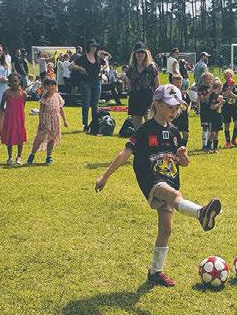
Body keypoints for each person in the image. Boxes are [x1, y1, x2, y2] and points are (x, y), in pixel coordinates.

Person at [94, 84, 222, 287]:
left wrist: (183, 156)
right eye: (170, 107)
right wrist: (105, 176)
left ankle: (155, 272)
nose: (174, 111)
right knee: (175, 195)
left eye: (177, 107)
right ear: (157, 105)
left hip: (170, 179)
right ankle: (201, 213)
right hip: (151, 180)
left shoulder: (174, 132)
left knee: (166, 231)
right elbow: (125, 153)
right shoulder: (144, 130)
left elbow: (184, 163)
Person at [27, 77, 68, 165]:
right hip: (46, 120)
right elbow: (41, 111)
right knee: (40, 138)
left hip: (55, 120)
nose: (51, 87)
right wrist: (41, 122)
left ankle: (49, 156)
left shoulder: (57, 96)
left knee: (52, 138)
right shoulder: (44, 97)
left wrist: (65, 120)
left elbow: (61, 109)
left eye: (53, 85)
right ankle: (32, 155)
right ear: (45, 87)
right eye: (48, 85)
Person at [70, 40, 103, 134]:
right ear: (88, 47)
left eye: (95, 46)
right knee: (86, 104)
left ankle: (94, 123)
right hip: (85, 83)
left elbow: (107, 61)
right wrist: (81, 69)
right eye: (92, 46)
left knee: (95, 105)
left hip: (96, 82)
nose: (94, 48)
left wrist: (101, 71)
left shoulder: (98, 57)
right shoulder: (83, 57)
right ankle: (85, 124)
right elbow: (71, 66)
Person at [126, 42, 160, 129]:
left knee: (150, 124)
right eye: (138, 52)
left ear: (146, 54)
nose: (140, 54)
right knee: (137, 127)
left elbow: (157, 84)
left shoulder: (152, 67)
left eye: (142, 52)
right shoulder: (131, 68)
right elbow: (129, 85)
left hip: (148, 98)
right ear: (134, 54)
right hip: (135, 98)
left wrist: (156, 99)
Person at [0, 72, 27, 165]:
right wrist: (8, 113)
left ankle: (19, 157)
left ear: (19, 81)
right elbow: (1, 106)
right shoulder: (6, 93)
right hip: (9, 119)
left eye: (15, 81)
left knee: (20, 136)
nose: (13, 83)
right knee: (10, 136)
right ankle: (10, 157)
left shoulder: (23, 93)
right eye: (11, 81)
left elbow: (23, 105)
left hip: (20, 119)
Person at [221, 68, 237, 148]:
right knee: (227, 125)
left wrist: (233, 95)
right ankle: (227, 142)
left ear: (232, 76)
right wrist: (229, 88)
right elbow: (223, 94)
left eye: (229, 75)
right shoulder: (223, 86)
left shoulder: (236, 86)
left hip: (234, 108)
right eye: (226, 76)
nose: (228, 77)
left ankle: (234, 140)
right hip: (226, 108)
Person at [169, 72, 191, 146]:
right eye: (176, 82)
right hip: (174, 117)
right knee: (174, 134)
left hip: (184, 117)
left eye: (180, 82)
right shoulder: (170, 93)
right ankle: (175, 148)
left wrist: (187, 110)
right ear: (172, 82)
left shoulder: (184, 93)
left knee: (186, 135)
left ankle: (182, 148)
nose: (178, 84)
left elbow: (188, 103)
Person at [197, 70, 213, 151]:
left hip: (213, 111)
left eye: (210, 79)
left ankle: (210, 144)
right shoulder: (201, 89)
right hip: (204, 111)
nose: (209, 81)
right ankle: (204, 145)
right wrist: (209, 93)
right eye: (207, 79)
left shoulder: (213, 87)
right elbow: (202, 100)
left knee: (211, 128)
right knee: (205, 128)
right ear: (203, 80)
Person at [208, 78, 224, 153]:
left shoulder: (218, 95)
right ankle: (208, 148)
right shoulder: (212, 96)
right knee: (212, 133)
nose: (221, 89)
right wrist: (220, 103)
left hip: (218, 115)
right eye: (221, 87)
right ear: (218, 87)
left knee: (217, 132)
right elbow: (212, 107)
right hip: (212, 116)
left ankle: (215, 148)